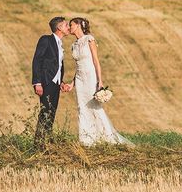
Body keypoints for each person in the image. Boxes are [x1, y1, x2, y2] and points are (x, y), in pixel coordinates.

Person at [65, 17, 135, 147]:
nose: (69, 28)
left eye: (71, 25)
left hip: (91, 77)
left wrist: (100, 81)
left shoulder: (89, 39)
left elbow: (96, 61)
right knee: (82, 107)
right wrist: (72, 83)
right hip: (80, 80)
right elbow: (78, 67)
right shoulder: (73, 45)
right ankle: (87, 140)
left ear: (79, 26)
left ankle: (106, 136)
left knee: (94, 106)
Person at [31, 16, 70, 148]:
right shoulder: (46, 40)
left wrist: (61, 82)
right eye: (66, 25)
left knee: (52, 112)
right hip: (46, 83)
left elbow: (56, 65)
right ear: (59, 28)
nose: (68, 27)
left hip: (56, 84)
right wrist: (37, 82)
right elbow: (37, 60)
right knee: (45, 112)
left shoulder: (60, 43)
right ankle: (38, 144)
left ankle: (46, 141)